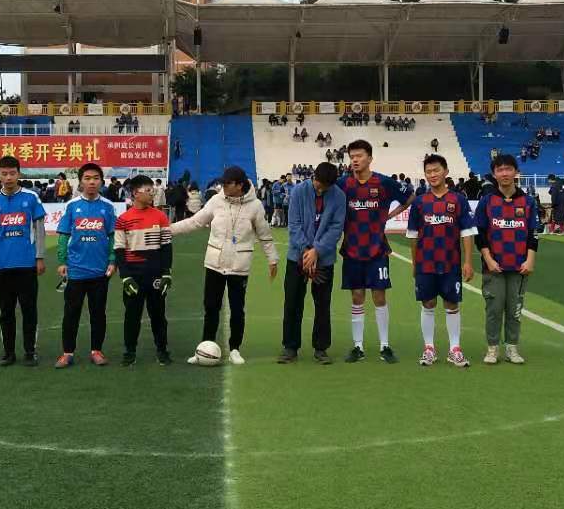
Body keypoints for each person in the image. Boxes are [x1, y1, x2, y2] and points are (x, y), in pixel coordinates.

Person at [172, 165, 278, 365]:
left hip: (240, 265)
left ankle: (235, 349)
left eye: (227, 183)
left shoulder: (255, 206)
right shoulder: (216, 200)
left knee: (237, 309)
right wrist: (169, 230)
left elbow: (265, 236)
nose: (223, 186)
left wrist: (272, 259)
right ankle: (205, 347)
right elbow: (195, 222)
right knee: (211, 307)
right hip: (214, 263)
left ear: (239, 185)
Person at [338, 139, 411, 363]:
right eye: (352, 157)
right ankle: (358, 346)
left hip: (377, 248)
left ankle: (384, 346)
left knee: (379, 296)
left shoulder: (384, 182)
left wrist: (389, 215)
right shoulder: (343, 184)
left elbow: (409, 197)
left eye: (359, 156)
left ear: (370, 158)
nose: (355, 160)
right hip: (351, 248)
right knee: (357, 296)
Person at [406, 153, 477, 367]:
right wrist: (415, 264)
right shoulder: (419, 202)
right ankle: (429, 348)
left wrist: (468, 262)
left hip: (450, 262)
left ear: (445, 171)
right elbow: (413, 236)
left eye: (436, 170)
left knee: (452, 304)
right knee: (427, 303)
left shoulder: (458, 200)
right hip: (426, 262)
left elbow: (467, 232)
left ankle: (455, 348)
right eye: (428, 172)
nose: (433, 175)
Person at [0, 156, 47, 367]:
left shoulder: (31, 198)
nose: (8, 177)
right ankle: (8, 352)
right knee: (6, 311)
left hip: (27, 264)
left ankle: (30, 351)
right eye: (4, 173)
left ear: (19, 174)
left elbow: (39, 229)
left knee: (29, 310)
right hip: (2, 265)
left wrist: (39, 256)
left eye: (12, 173)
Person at [475, 153, 540, 365]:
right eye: (500, 170)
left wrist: (530, 260)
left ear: (516, 172)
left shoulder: (528, 202)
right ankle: (492, 348)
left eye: (508, 169)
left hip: (519, 266)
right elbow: (481, 234)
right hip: (493, 266)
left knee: (515, 309)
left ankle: (512, 348)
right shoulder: (487, 201)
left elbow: (533, 234)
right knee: (494, 309)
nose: (504, 173)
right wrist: (488, 259)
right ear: (494, 174)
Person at [279, 161, 345, 364]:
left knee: (323, 303)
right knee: (292, 301)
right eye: (317, 182)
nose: (319, 187)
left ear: (332, 185)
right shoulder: (299, 191)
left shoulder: (339, 196)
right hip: (297, 258)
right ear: (313, 176)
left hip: (323, 259)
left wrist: (317, 250)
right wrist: (307, 251)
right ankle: (290, 347)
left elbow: (336, 228)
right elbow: (294, 224)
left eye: (324, 186)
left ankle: (321, 348)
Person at [55, 162, 117, 368]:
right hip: (76, 270)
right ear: (80, 181)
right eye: (87, 178)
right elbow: (64, 235)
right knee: (71, 313)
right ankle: (67, 352)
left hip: (100, 271)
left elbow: (112, 237)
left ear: (101, 181)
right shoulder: (72, 206)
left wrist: (112, 261)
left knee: (98, 313)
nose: (91, 182)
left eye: (96, 178)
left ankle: (96, 351)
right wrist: (62, 261)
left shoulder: (107, 207)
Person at [113, 175, 174, 365]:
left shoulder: (161, 216)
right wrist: (125, 277)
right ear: (135, 193)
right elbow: (119, 250)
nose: (152, 193)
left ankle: (162, 350)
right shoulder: (123, 219)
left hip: (155, 274)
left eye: (152, 190)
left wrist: (166, 272)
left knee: (158, 315)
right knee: (132, 316)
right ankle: (129, 352)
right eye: (148, 190)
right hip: (134, 275)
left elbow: (166, 246)